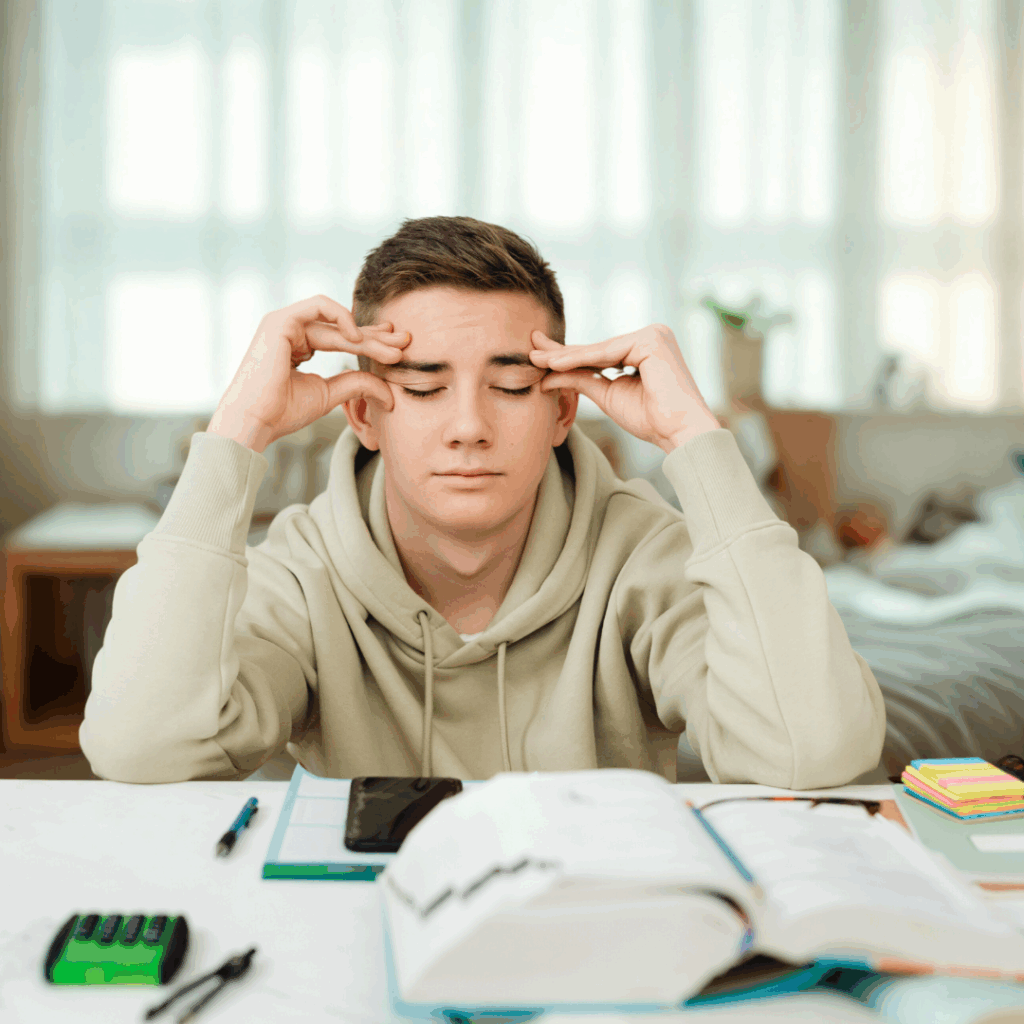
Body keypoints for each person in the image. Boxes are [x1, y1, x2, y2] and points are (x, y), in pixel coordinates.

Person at [79, 216, 885, 786]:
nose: (468, 427)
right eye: (424, 387)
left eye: (509, 385)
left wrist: (696, 440)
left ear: (564, 410)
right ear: (362, 413)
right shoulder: (302, 570)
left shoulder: (645, 556)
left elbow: (810, 755)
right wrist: (238, 433)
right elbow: (139, 749)